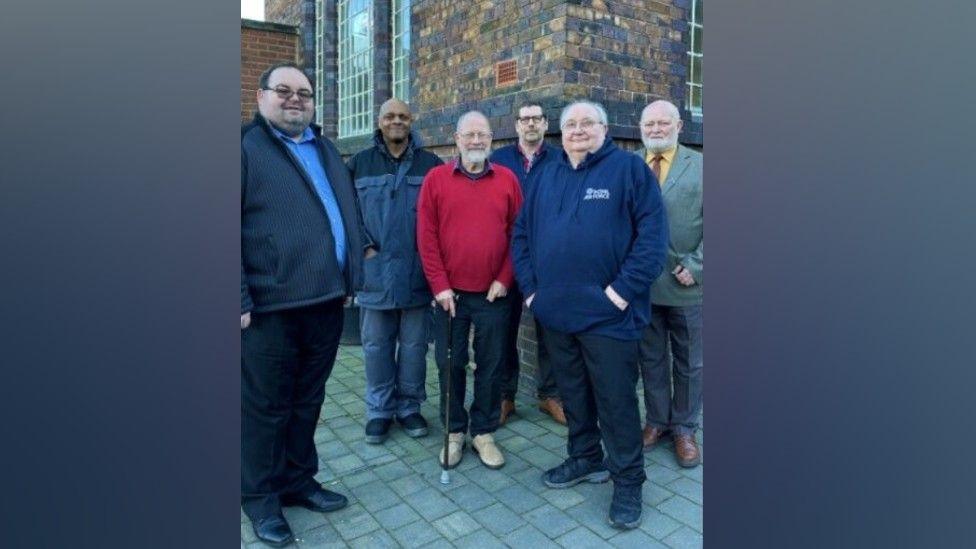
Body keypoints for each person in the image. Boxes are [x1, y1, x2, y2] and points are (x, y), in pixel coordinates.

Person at [511, 100, 668, 529]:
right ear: (559, 132)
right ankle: (584, 457)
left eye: (587, 123)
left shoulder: (630, 171)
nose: (578, 130)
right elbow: (522, 234)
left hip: (610, 319)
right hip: (556, 315)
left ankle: (628, 482)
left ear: (604, 129)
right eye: (570, 124)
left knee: (616, 404)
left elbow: (652, 241)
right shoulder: (546, 173)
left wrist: (619, 294)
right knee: (574, 396)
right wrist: (531, 293)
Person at [241, 62, 363, 547]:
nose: (295, 100)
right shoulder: (245, 148)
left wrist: (353, 271)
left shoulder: (324, 147)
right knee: (264, 409)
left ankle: (296, 480)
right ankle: (260, 498)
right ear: (261, 96)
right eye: (284, 91)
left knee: (308, 400)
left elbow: (345, 211)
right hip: (270, 308)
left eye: (304, 93)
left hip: (325, 301)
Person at [416, 111, 523, 470]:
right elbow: (426, 237)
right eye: (469, 135)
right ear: (456, 138)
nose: (476, 141)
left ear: (492, 139)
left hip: (494, 293)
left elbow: (517, 235)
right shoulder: (435, 179)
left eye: (483, 135)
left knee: (492, 364)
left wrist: (504, 279)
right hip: (450, 297)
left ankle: (483, 431)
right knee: (450, 363)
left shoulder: (507, 180)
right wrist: (440, 286)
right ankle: (454, 431)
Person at [348, 98, 443, 444]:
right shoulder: (359, 163)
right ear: (379, 120)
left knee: (416, 347)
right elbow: (347, 214)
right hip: (375, 274)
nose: (396, 121)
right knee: (376, 347)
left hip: (418, 274)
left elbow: (442, 217)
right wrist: (364, 248)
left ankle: (409, 407)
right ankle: (379, 411)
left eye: (403, 116)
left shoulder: (432, 164)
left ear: (411, 120)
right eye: (390, 116)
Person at [635, 100, 704, 467]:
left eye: (664, 123)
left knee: (689, 361)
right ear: (641, 127)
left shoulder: (702, 166)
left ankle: (684, 428)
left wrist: (699, 265)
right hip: (644, 287)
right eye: (650, 124)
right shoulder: (630, 165)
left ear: (679, 126)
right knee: (651, 358)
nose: (657, 129)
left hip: (686, 284)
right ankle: (657, 421)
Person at [489, 102, 565, 426]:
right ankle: (506, 396)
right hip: (507, 257)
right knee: (504, 328)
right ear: (516, 125)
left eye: (537, 118)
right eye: (525, 119)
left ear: (545, 124)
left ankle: (550, 395)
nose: (531, 123)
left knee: (550, 328)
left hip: (547, 259)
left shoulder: (561, 159)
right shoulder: (499, 160)